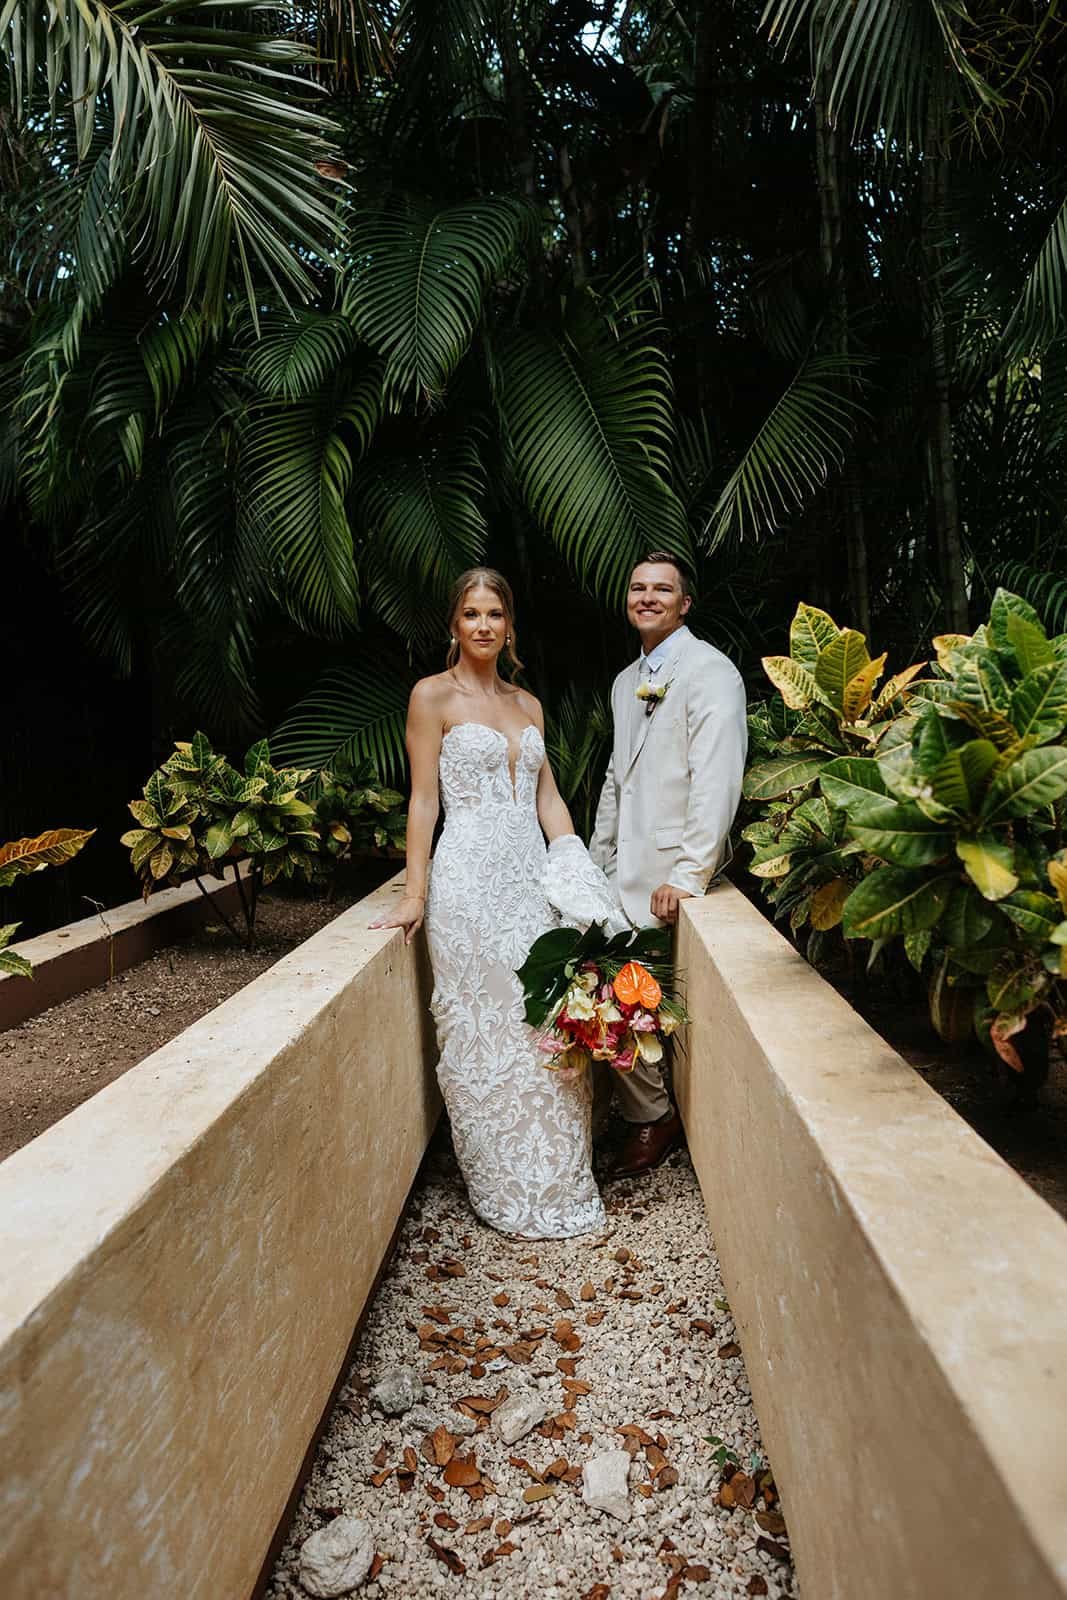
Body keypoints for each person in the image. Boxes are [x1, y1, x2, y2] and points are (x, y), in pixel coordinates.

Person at [370, 567, 618, 1239]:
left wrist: (574, 868)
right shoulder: (431, 697)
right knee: (481, 1029)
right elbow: (423, 799)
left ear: (509, 626)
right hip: (468, 885)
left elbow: (547, 799)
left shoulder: (528, 704)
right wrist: (415, 890)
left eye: (495, 615)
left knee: (541, 1023)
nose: (483, 625)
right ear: (453, 624)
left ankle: (557, 1176)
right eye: (471, 614)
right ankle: (499, 1183)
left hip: (528, 883)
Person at [590, 552, 748, 1179]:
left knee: (630, 1000)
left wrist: (687, 875)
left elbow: (716, 781)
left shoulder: (711, 673)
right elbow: (614, 778)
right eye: (637, 587)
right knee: (611, 999)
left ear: (685, 603)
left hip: (664, 877)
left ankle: (652, 1118)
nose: (647, 596)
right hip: (619, 877)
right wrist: (598, 859)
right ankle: (645, 1112)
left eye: (662, 589)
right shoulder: (627, 679)